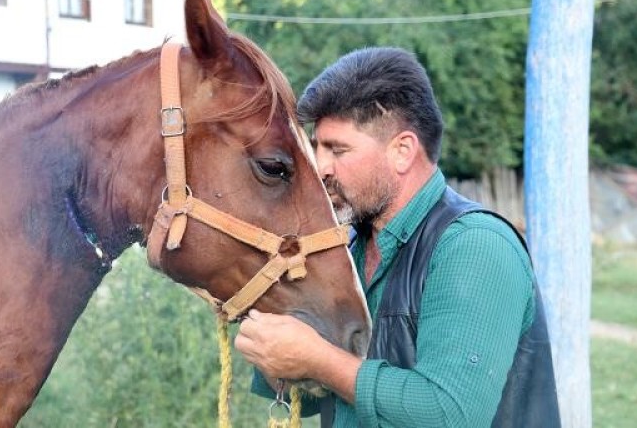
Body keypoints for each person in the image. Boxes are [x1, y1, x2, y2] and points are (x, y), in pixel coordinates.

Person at [234, 47, 560, 427]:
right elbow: (310, 396)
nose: (320, 167)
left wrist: (318, 359)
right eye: (317, 147)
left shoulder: (475, 246)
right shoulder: (348, 248)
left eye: (338, 149)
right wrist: (272, 340)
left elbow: (450, 414)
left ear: (403, 151)